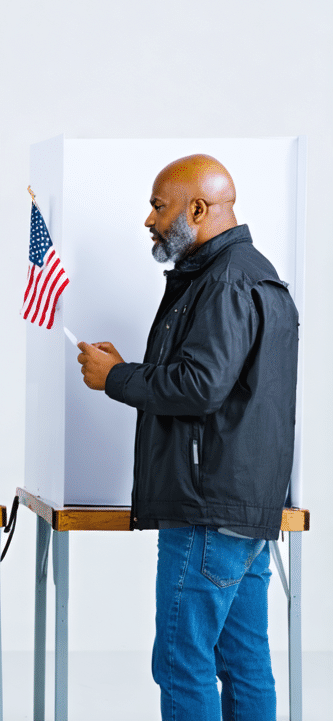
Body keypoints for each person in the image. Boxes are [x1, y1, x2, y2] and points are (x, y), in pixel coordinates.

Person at [77, 154, 298, 720]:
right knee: (245, 662)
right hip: (244, 512)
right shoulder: (251, 273)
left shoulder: (223, 282)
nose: (149, 220)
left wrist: (116, 378)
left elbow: (200, 386)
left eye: (158, 205)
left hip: (206, 511)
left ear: (197, 209)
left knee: (183, 662)